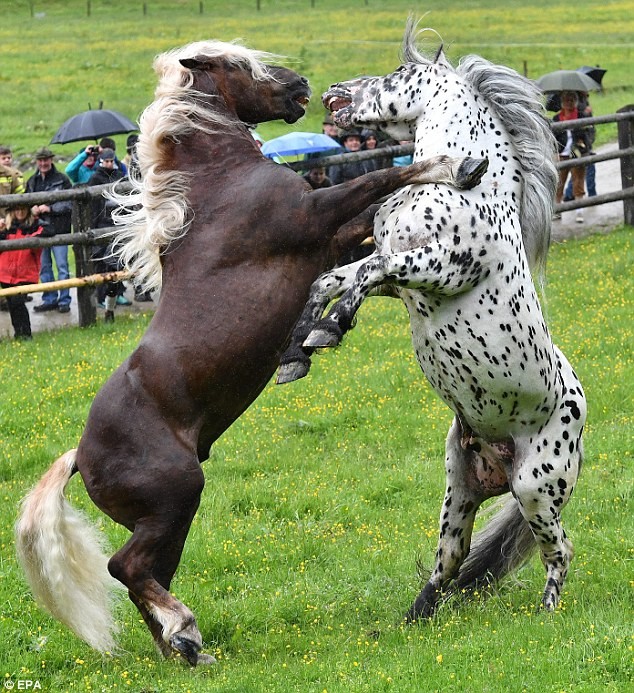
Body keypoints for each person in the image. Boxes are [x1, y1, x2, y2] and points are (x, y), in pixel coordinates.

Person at [26, 147, 73, 313]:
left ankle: (64, 300)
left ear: (51, 160)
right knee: (44, 267)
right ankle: (49, 299)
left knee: (62, 267)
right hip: (39, 230)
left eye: (46, 160)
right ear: (37, 161)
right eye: (40, 160)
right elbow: (25, 203)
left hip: (59, 230)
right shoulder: (32, 181)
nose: (43, 163)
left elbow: (70, 203)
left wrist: (50, 208)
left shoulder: (63, 179)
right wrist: (32, 210)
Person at [0, 203, 53, 339]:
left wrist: (30, 239)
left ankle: (25, 333)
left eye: (23, 209)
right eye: (16, 209)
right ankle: (19, 333)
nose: (20, 212)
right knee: (12, 304)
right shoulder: (6, 226)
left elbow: (49, 230)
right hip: (5, 273)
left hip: (25, 274)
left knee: (17, 302)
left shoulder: (35, 224)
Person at [87, 148, 131, 312]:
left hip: (117, 222)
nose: (109, 163)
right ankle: (100, 297)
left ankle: (116, 294)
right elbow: (92, 206)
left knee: (117, 260)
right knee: (101, 262)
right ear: (101, 161)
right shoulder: (95, 179)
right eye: (107, 161)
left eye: (111, 161)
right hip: (101, 224)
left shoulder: (118, 176)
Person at [553, 91, 594, 223]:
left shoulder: (581, 115)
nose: (569, 103)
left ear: (576, 101)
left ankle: (579, 212)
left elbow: (588, 133)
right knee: (559, 184)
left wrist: (584, 144)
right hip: (562, 155)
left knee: (578, 183)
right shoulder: (557, 119)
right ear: (562, 103)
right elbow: (553, 138)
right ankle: (557, 210)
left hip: (577, 154)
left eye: (571, 100)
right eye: (566, 100)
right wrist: (555, 152)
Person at [564, 92, 596, 201]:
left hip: (584, 142)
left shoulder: (583, 99)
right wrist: (586, 113)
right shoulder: (578, 101)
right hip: (579, 144)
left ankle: (569, 194)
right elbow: (580, 123)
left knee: (578, 169)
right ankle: (591, 195)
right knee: (583, 168)